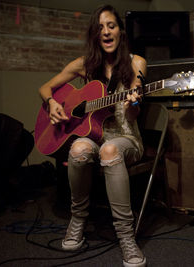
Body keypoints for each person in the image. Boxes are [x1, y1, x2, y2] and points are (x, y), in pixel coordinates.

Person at [38, 5, 147, 267]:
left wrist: (133, 103)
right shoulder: (84, 65)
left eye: (111, 25)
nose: (106, 32)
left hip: (125, 137)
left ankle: (126, 236)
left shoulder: (136, 62)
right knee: (78, 149)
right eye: (100, 28)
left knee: (110, 150)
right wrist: (53, 103)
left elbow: (133, 115)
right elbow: (45, 87)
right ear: (94, 35)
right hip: (95, 136)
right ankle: (78, 220)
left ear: (120, 31)